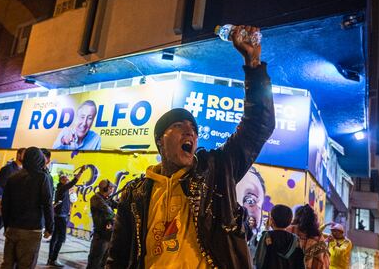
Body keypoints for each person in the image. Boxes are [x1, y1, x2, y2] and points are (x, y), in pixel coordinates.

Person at [108, 25, 275, 268]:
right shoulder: (135, 194)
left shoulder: (216, 171)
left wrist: (254, 64)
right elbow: (118, 257)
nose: (190, 132)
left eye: (194, 130)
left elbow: (259, 123)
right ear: (159, 141)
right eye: (179, 125)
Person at [1, 147, 54, 268]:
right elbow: (47, 204)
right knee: (26, 265)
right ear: (40, 159)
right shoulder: (42, 178)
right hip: (31, 231)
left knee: (8, 264)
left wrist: (6, 226)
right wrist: (50, 227)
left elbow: (5, 205)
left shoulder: (13, 177)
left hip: (12, 229)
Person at [47, 166, 86, 267]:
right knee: (61, 238)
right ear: (61, 180)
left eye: (67, 178)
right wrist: (81, 171)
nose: (67, 179)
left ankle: (50, 258)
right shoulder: (62, 188)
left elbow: (72, 200)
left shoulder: (63, 189)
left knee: (55, 237)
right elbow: (74, 181)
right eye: (65, 178)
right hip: (61, 217)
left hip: (60, 215)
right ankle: (54, 259)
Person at [255, 204, 304, 269]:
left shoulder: (266, 236)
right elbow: (300, 263)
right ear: (290, 222)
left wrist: (266, 230)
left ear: (271, 220)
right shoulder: (295, 239)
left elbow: (259, 261)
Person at [287, 204, 330, 269]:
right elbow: (323, 262)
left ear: (296, 216)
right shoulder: (318, 237)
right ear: (313, 219)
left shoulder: (289, 230)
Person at [87, 179, 117, 269]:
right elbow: (109, 212)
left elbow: (118, 205)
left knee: (103, 261)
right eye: (110, 188)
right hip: (100, 236)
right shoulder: (96, 199)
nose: (112, 190)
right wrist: (115, 217)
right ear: (105, 189)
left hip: (107, 235)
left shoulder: (107, 199)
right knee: (95, 261)